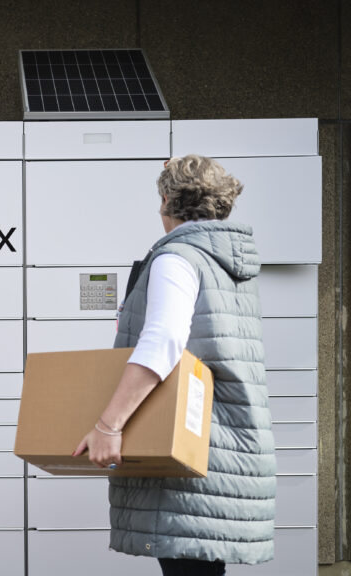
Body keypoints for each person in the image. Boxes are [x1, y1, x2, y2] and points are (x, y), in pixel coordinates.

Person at [72, 154, 276, 576]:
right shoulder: (226, 265)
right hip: (225, 444)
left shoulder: (176, 259)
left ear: (166, 201)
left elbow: (163, 340)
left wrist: (109, 426)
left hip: (191, 449)